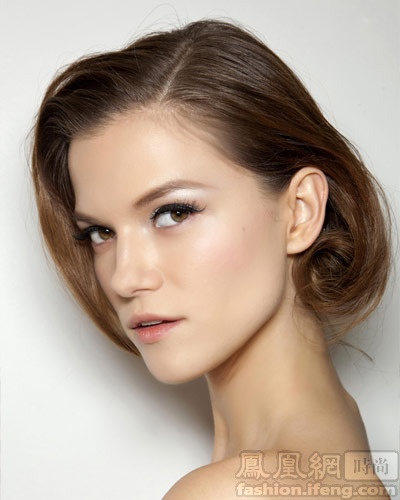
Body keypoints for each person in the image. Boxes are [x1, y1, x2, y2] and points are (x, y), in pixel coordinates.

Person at [30, 19, 393, 499]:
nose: (123, 277)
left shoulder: (228, 491)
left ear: (301, 211)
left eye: (173, 212)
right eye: (101, 232)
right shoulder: (337, 439)